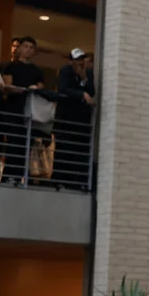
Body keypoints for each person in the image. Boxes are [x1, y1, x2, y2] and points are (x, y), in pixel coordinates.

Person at [1, 37, 44, 181]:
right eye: (26, 46)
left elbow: (41, 88)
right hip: (14, 110)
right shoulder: (12, 66)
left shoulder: (37, 71)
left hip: (30, 112)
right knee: (13, 143)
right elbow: (8, 86)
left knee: (26, 146)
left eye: (31, 47)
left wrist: (36, 88)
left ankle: (20, 177)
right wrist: (25, 90)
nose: (28, 49)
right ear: (20, 49)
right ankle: (8, 177)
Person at [55, 48, 95, 190]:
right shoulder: (66, 71)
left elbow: (92, 91)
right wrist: (81, 94)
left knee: (80, 149)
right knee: (64, 148)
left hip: (81, 119)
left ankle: (78, 181)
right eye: (77, 59)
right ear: (71, 61)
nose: (80, 62)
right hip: (66, 117)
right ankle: (60, 180)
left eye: (82, 59)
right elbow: (63, 88)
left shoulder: (88, 73)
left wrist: (84, 79)